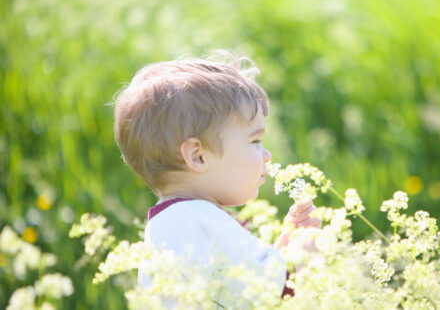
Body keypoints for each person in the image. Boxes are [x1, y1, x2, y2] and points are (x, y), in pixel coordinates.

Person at [112, 53, 321, 307]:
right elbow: (271, 292)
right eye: (254, 141)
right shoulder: (194, 220)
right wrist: (306, 252)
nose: (267, 155)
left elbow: (240, 290)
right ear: (198, 156)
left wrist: (283, 246)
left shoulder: (175, 222)